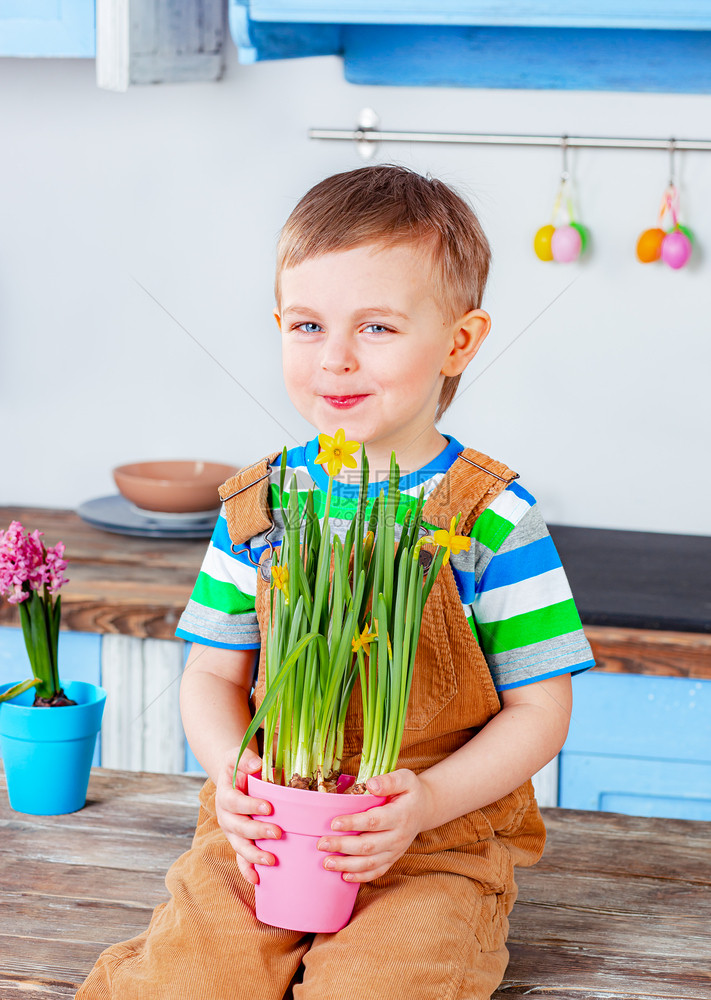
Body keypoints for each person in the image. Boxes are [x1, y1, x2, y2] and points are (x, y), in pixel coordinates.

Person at [77, 165, 594, 1000]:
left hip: (429, 840)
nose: (335, 358)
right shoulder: (261, 505)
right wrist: (230, 776)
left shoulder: (491, 517)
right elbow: (212, 674)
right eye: (308, 324)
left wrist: (423, 803)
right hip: (267, 830)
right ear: (279, 324)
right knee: (189, 980)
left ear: (459, 341)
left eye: (378, 327)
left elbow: (542, 709)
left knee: (384, 985)